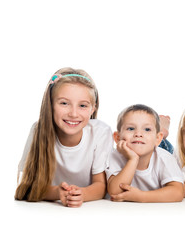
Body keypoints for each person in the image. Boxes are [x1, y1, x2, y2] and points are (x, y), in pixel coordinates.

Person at [15, 67, 113, 207]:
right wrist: (57, 192)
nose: (73, 113)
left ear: (93, 108)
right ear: (51, 104)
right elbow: (26, 186)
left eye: (82, 105)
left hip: (93, 210)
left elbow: (101, 185)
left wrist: (81, 194)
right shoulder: (38, 130)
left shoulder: (100, 132)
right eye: (64, 103)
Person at [106, 104, 184, 202]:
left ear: (157, 138)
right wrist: (133, 160)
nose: (138, 134)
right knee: (147, 143)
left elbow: (177, 192)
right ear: (117, 138)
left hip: (161, 148)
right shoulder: (114, 155)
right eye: (131, 128)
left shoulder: (165, 158)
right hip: (149, 144)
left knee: (165, 146)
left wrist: (141, 196)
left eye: (147, 129)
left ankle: (163, 133)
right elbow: (115, 192)